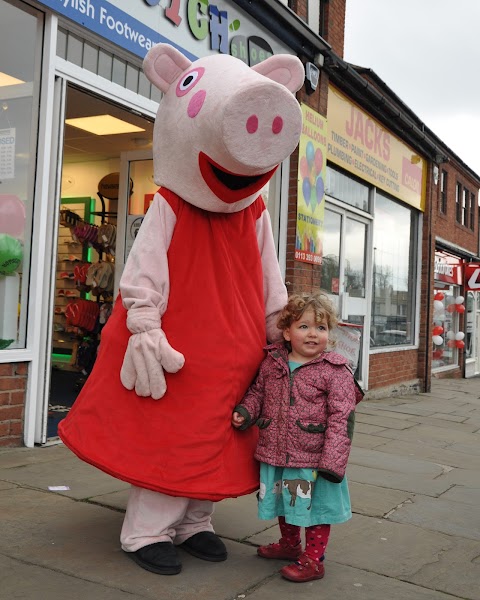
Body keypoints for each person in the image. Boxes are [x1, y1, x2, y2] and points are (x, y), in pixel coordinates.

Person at [232, 293, 362, 583]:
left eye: (321, 327)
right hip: (277, 451)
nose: (313, 334)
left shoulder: (335, 371)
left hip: (314, 459)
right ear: (287, 332)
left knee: (315, 510)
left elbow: (342, 418)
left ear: (330, 333)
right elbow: (258, 393)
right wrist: (246, 411)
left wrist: (333, 461)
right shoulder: (272, 362)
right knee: (284, 502)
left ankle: (314, 560)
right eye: (304, 327)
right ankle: (290, 545)